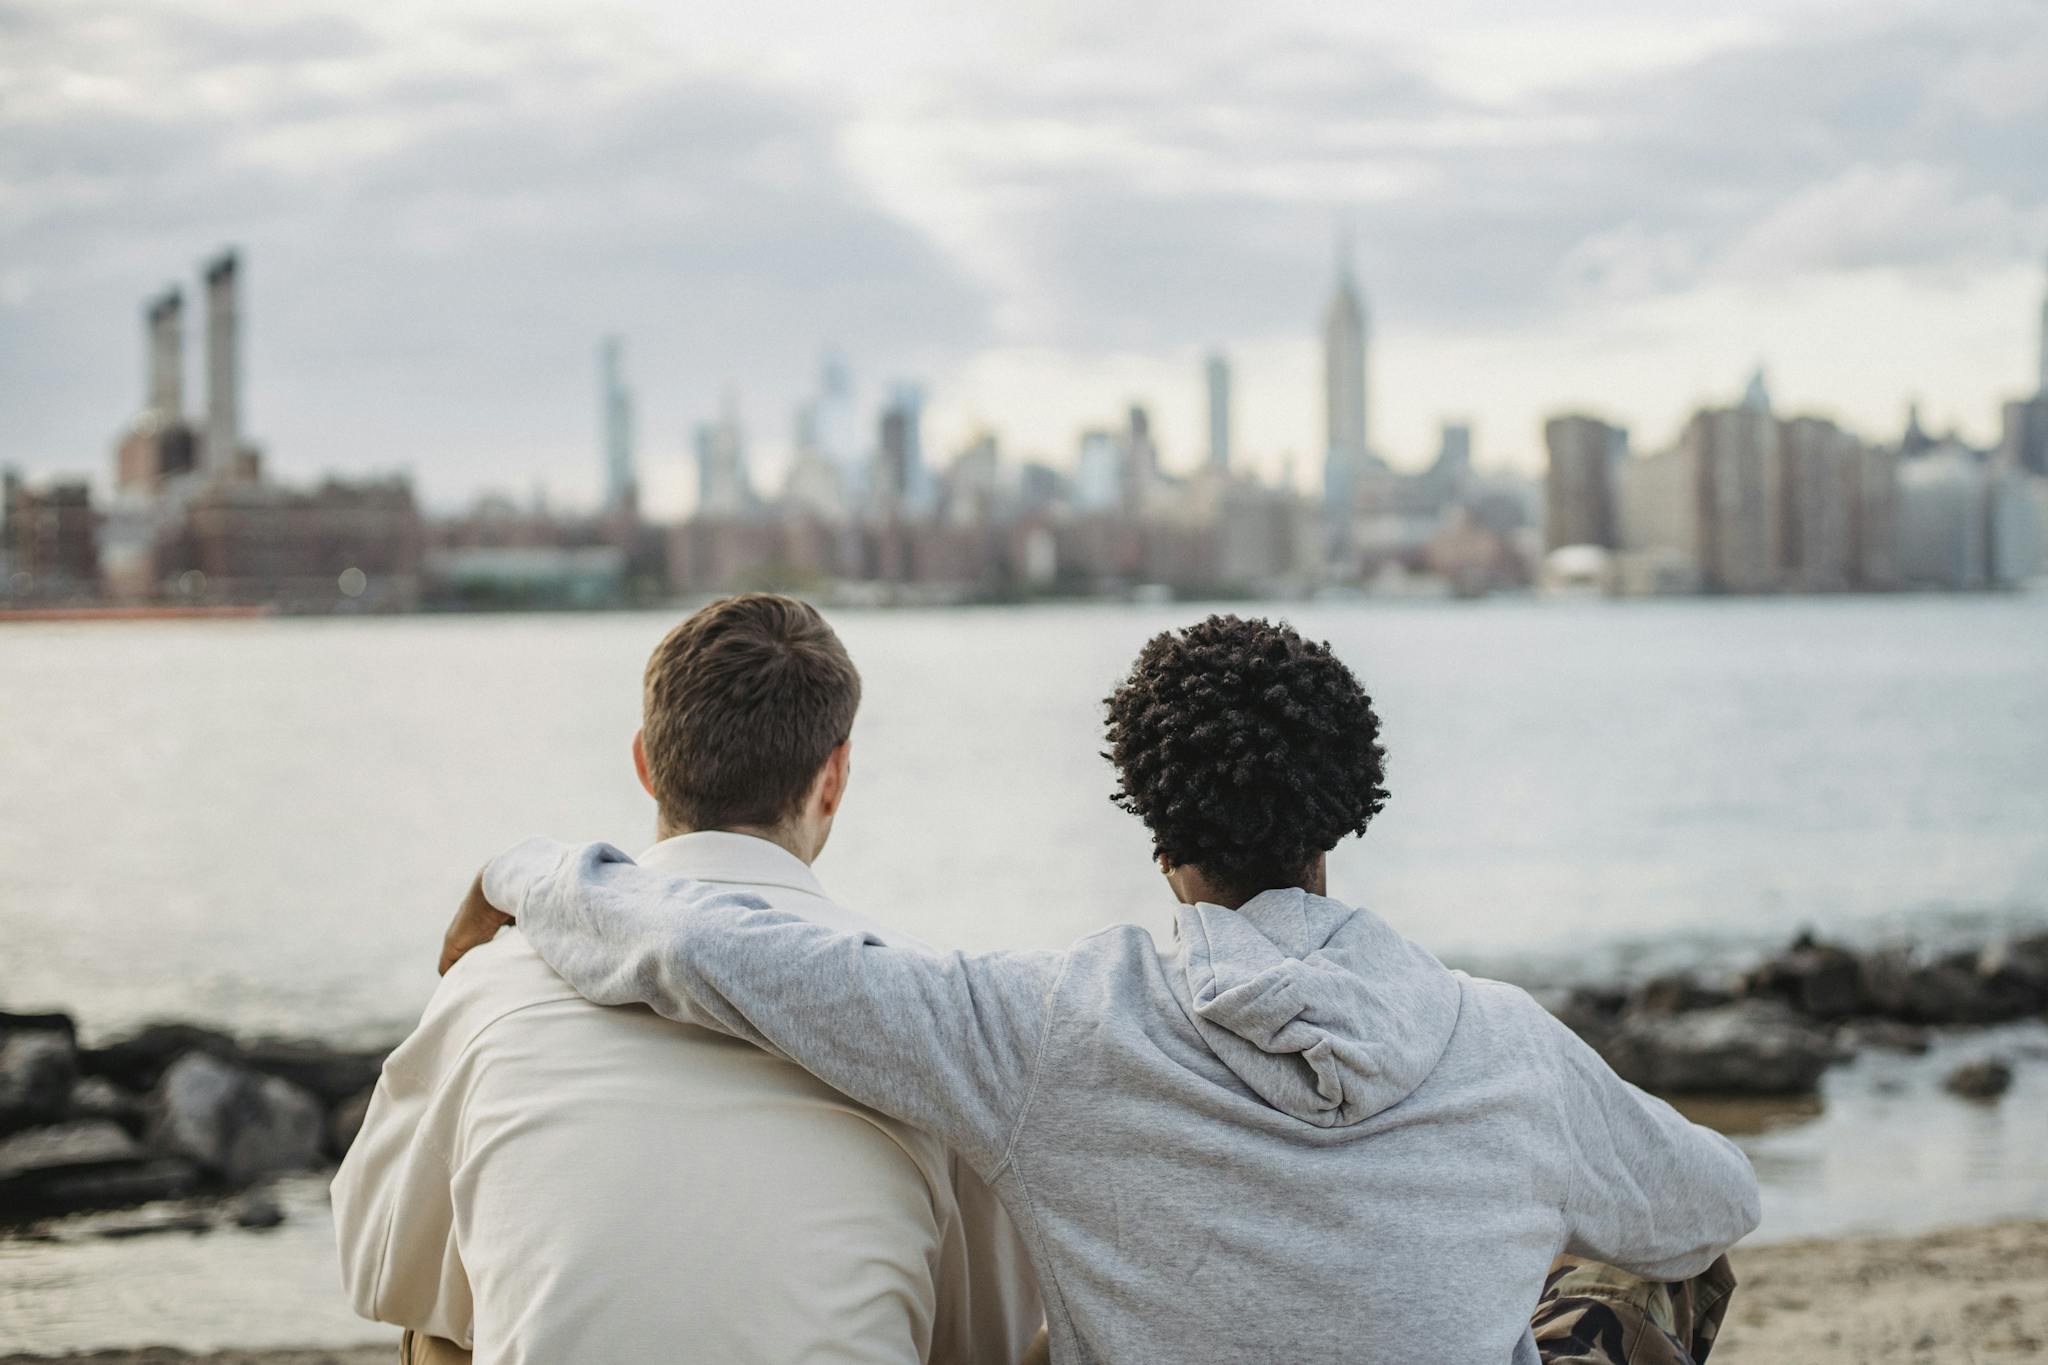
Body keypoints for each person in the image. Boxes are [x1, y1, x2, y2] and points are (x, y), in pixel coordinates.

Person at [447, 612, 1760, 1364]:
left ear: (1149, 815)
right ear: (1345, 811)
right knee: (1653, 1277)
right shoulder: (1504, 1044)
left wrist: (528, 873)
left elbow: (715, 951)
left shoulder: (1042, 1028)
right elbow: (1713, 1207)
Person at [334, 594, 1042, 1363]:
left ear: (645, 761)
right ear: (832, 776)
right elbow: (982, 1343)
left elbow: (374, 1263)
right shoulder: (933, 1022)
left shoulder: (494, 985)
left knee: (435, 1327)